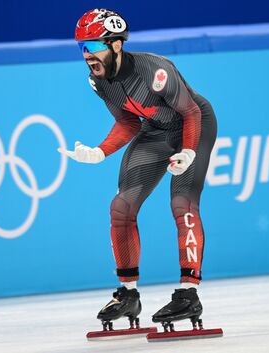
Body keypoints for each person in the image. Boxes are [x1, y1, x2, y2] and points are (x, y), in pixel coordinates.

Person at [59, 8, 218, 330]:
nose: (87, 55)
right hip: (156, 131)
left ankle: (189, 293)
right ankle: (128, 293)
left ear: (116, 44)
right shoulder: (98, 79)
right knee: (121, 207)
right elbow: (128, 121)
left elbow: (190, 113)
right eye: (81, 48)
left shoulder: (155, 70)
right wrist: (99, 152)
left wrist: (188, 152)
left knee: (182, 204)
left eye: (92, 46)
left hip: (194, 125)